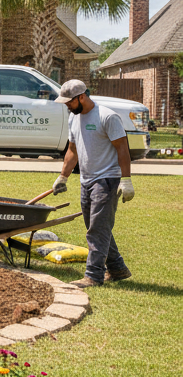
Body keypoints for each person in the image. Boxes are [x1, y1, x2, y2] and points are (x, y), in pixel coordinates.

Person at [53, 79, 133, 289]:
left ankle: (93, 275)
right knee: (97, 226)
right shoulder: (74, 118)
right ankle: (117, 268)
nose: (67, 106)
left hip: (106, 180)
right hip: (86, 180)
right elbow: (73, 150)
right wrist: (63, 176)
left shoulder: (107, 116)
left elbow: (122, 148)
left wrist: (126, 180)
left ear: (81, 97)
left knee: (97, 229)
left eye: (69, 102)